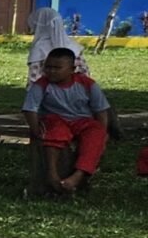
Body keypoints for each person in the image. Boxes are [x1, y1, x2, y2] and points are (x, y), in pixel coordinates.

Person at [26, 46, 113, 194]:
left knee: (95, 135)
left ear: (72, 69)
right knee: (54, 133)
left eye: (57, 68)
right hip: (55, 119)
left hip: (82, 121)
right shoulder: (41, 85)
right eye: (48, 67)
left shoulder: (87, 84)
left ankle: (77, 177)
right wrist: (35, 130)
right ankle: (52, 174)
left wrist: (102, 133)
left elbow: (101, 111)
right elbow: (30, 109)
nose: (51, 71)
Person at [28, 7, 90, 83]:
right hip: (75, 89)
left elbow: (34, 79)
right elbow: (85, 74)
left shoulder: (39, 49)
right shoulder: (73, 46)